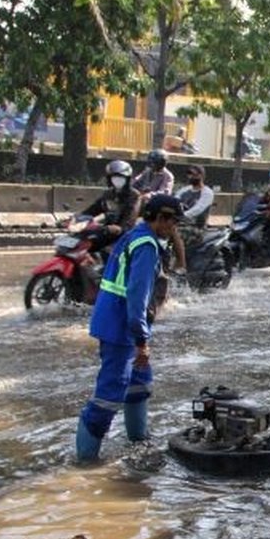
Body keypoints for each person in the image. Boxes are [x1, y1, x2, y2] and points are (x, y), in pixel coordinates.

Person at [73, 194, 182, 461]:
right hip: (120, 326)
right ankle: (85, 462)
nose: (175, 228)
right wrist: (142, 341)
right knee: (109, 394)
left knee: (139, 382)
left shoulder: (136, 234)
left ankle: (139, 440)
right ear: (161, 218)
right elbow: (137, 297)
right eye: (174, 222)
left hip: (114, 319)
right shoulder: (146, 246)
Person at [80, 160, 142, 252]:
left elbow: (130, 219)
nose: (117, 180)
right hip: (107, 232)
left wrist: (120, 228)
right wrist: (77, 218)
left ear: (127, 179)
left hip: (125, 235)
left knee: (109, 252)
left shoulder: (134, 195)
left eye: (121, 177)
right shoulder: (108, 194)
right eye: (114, 177)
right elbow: (93, 209)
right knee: (86, 245)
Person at [170, 164, 215, 272]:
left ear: (201, 175)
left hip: (196, 228)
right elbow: (173, 202)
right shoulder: (184, 191)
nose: (190, 176)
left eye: (193, 174)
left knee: (175, 233)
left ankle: (180, 265)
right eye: (188, 173)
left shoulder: (207, 192)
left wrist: (182, 216)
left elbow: (198, 209)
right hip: (178, 224)